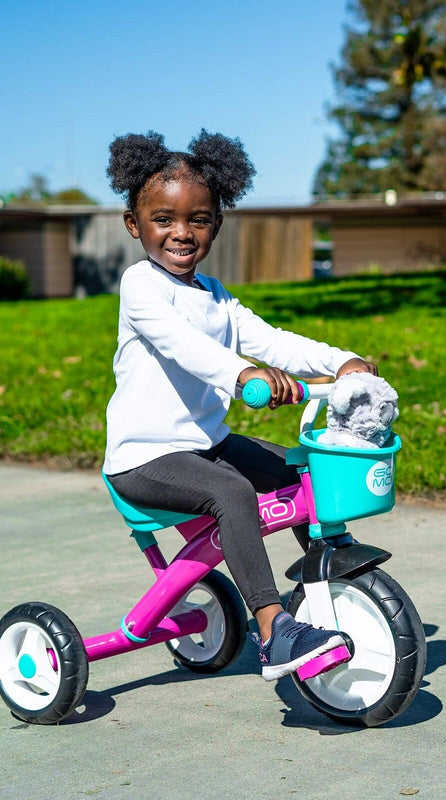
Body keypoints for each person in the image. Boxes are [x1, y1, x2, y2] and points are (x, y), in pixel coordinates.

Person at [103, 130, 376, 680]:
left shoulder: (218, 295)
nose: (181, 233)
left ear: (216, 225)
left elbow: (273, 341)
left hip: (206, 445)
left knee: (300, 469)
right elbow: (186, 346)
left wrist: (343, 360)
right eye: (163, 219)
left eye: (198, 220)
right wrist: (242, 374)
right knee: (232, 492)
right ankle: (275, 628)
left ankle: (329, 577)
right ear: (135, 225)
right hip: (144, 459)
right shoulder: (141, 287)